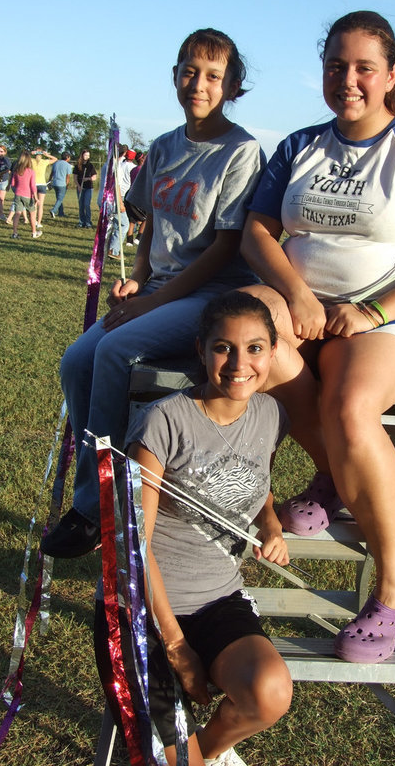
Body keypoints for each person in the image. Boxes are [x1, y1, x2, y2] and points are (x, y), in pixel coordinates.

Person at [240, 10, 395, 664]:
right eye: (336, 66)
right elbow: (259, 230)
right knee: (249, 338)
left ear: (390, 75)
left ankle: (391, 587)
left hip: (384, 320)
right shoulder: (300, 146)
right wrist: (296, 293)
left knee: (349, 405)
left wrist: (372, 313)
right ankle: (333, 477)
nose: (349, 80)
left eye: (364, 67)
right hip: (307, 306)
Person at [40, 28, 264, 559]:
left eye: (213, 75)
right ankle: (105, 480)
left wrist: (154, 301)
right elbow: (149, 227)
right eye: (189, 71)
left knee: (116, 350)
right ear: (175, 76)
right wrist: (140, 278)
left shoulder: (241, 151)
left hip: (209, 296)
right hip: (160, 290)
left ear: (232, 85)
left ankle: (93, 510)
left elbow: (223, 248)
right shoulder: (163, 148)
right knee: (77, 360)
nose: (199, 84)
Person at [94, 291, 292, 766]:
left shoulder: (270, 413)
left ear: (273, 350)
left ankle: (204, 751)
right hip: (141, 610)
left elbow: (258, 480)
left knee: (269, 692)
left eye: (255, 348)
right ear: (201, 349)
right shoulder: (163, 422)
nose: (239, 363)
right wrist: (176, 644)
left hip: (217, 600)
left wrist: (270, 522)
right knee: (172, 762)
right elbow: (132, 546)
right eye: (224, 347)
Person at [9, 150, 39, 239]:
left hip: (18, 194)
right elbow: (33, 186)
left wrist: (17, 192)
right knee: (32, 214)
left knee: (17, 213)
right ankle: (34, 232)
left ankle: (14, 233)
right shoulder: (31, 172)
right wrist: (36, 197)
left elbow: (13, 184)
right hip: (27, 195)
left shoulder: (16, 171)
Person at [31, 148, 57, 230]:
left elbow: (23, 157)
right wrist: (47, 155)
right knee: (40, 205)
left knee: (34, 204)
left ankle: (34, 220)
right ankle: (39, 222)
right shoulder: (44, 161)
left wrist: (31, 153)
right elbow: (55, 159)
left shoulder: (31, 160)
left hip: (34, 184)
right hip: (42, 184)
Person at [73, 149, 97, 228]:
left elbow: (94, 177)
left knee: (87, 204)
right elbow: (75, 178)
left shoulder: (90, 166)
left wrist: (88, 179)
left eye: (88, 155)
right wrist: (79, 186)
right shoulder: (77, 166)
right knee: (81, 205)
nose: (87, 157)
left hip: (88, 188)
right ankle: (81, 222)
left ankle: (88, 222)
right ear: (82, 155)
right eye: (86, 155)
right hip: (80, 188)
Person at [49, 152, 72, 218]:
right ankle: (53, 210)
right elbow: (68, 176)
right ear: (67, 157)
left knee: (58, 198)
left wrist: (50, 181)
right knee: (60, 199)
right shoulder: (67, 165)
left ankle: (61, 212)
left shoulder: (56, 163)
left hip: (55, 183)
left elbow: (52, 173)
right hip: (62, 184)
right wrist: (67, 184)